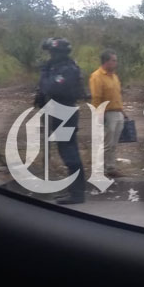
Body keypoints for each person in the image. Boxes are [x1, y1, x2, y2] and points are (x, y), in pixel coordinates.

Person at [34, 37, 87, 205]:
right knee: (67, 150)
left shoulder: (67, 69)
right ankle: (75, 190)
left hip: (64, 113)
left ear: (59, 53)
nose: (50, 55)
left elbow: (50, 87)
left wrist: (44, 72)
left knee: (69, 153)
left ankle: (77, 194)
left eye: (52, 52)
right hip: (59, 112)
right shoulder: (59, 67)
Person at [88, 49, 125, 178]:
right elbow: (96, 98)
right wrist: (99, 115)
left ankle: (110, 167)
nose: (116, 63)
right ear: (106, 62)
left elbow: (117, 95)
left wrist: (122, 111)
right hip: (107, 114)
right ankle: (102, 168)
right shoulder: (97, 76)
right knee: (107, 143)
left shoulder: (114, 76)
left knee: (113, 143)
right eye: (113, 60)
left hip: (117, 112)